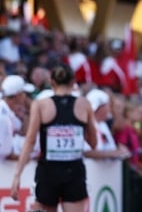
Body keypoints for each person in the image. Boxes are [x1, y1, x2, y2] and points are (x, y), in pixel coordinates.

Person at [10, 64, 98, 212]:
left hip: (48, 172)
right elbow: (93, 143)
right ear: (73, 82)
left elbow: (30, 141)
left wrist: (17, 175)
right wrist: (72, 131)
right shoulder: (84, 104)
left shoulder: (40, 105)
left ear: (52, 82)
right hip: (74, 172)